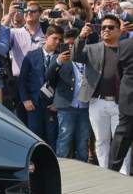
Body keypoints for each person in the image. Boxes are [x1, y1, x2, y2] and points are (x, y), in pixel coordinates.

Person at [74, 14, 130, 173]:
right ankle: (104, 174)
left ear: (119, 31)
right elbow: (76, 56)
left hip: (122, 102)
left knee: (122, 141)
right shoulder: (92, 48)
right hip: (97, 101)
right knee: (101, 140)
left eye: (110, 27)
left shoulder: (126, 48)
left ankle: (123, 175)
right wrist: (81, 37)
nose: (106, 30)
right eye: (102, 27)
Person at [47, 28, 91, 162]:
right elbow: (48, 77)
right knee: (64, 138)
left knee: (83, 140)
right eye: (68, 44)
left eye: (74, 43)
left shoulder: (88, 58)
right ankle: (62, 168)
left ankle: (83, 168)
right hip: (67, 105)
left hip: (86, 106)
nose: (71, 46)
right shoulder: (57, 58)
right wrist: (59, 62)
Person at [19, 25, 63, 149]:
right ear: (46, 37)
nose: (57, 42)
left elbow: (64, 82)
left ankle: (54, 163)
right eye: (54, 38)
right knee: (34, 135)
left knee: (52, 135)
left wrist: (58, 102)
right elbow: (22, 79)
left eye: (60, 39)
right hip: (34, 102)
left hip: (52, 103)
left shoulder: (61, 57)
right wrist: (25, 100)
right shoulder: (31, 55)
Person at [9, 0, 46, 124]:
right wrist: (9, 15)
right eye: (25, 11)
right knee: (21, 123)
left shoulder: (46, 33)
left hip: (40, 82)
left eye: (33, 10)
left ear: (40, 13)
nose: (28, 13)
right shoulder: (14, 32)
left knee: (40, 125)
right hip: (19, 83)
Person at [110, 27, 133, 173]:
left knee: (122, 137)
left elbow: (119, 72)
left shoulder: (124, 45)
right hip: (128, 99)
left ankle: (111, 171)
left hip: (129, 97)